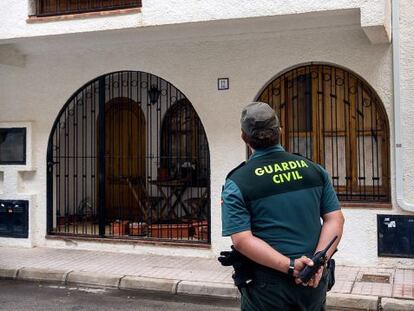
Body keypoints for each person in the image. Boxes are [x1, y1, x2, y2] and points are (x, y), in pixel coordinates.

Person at [221, 102, 345, 311]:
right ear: (280, 131)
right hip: (312, 280)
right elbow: (335, 219)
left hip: (267, 287)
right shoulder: (313, 170)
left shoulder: (237, 182)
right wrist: (318, 263)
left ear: (244, 138)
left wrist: (290, 267)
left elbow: (242, 240)